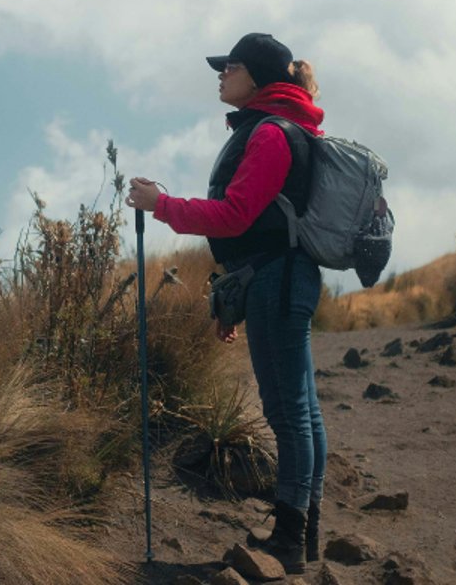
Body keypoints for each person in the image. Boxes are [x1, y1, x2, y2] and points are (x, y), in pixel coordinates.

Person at [126, 31, 326, 575]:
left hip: (278, 281)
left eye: (229, 66)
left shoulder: (271, 136)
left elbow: (237, 216)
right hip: (280, 278)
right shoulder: (286, 128)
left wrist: (160, 204)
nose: (220, 75)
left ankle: (289, 536)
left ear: (257, 76)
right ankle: (302, 531)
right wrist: (233, 302)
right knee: (301, 409)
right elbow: (258, 229)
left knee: (289, 412)